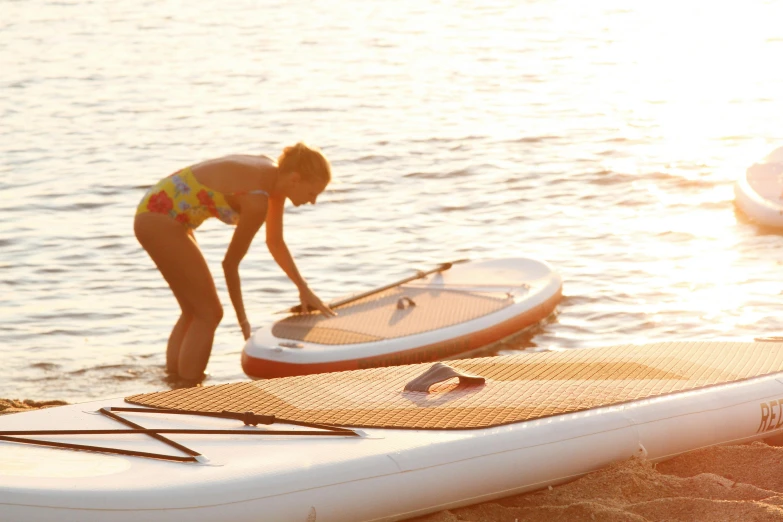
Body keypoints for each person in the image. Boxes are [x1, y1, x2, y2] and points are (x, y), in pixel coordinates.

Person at [133, 142, 336, 381]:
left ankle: (173, 384)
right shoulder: (257, 199)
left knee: (193, 311)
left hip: (158, 213)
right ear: (295, 179)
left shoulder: (274, 179)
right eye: (313, 193)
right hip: (160, 219)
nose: (313, 201)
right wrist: (243, 321)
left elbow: (275, 243)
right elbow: (230, 264)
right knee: (209, 314)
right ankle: (188, 391)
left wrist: (304, 288)